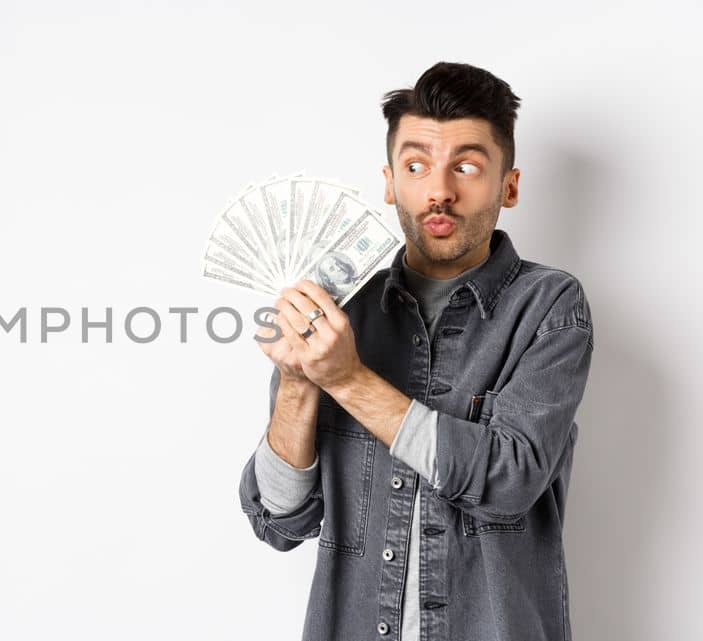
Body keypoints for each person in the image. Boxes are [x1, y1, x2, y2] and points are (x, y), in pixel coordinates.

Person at [238, 62, 594, 641]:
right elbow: (278, 520)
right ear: (388, 182)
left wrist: (349, 381)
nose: (439, 190)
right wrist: (300, 382)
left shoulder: (550, 307)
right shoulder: (341, 310)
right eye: (415, 165)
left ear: (509, 185)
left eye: (468, 167)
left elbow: (508, 482)